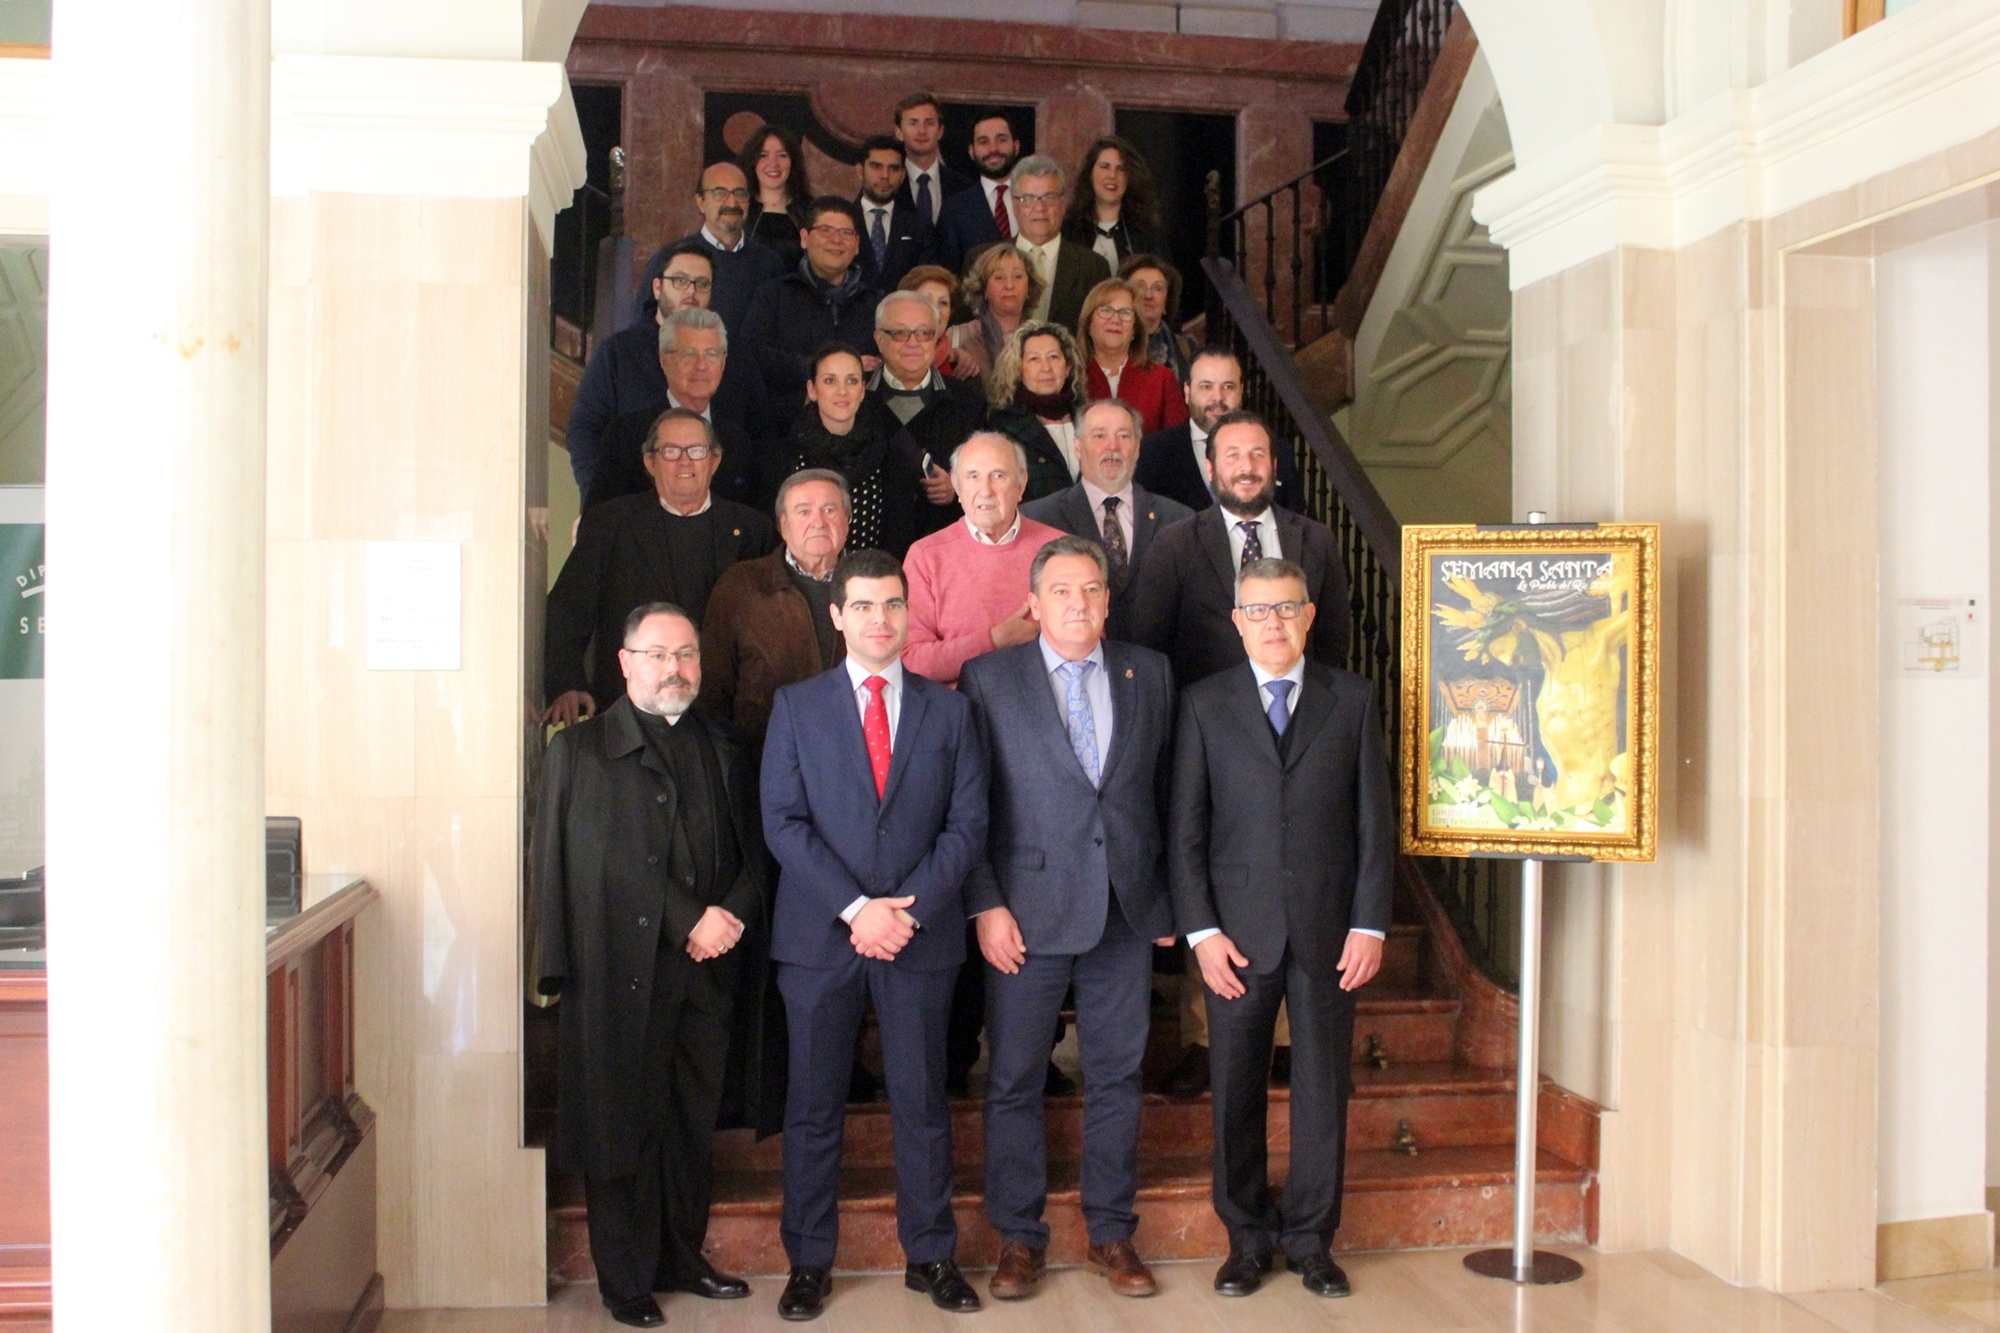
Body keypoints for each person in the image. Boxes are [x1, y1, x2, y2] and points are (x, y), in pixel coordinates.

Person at [761, 549, 989, 1321]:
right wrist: (858, 908)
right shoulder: (797, 706)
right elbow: (783, 822)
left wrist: (906, 911)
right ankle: (807, 1261)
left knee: (922, 1102)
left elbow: (967, 825)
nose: (880, 619)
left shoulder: (950, 711)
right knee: (813, 1105)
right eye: (862, 605)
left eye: (892, 603)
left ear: (908, 612)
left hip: (920, 938)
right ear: (837, 614)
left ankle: (931, 1255)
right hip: (820, 937)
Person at [532, 601, 768, 1329]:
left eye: (687, 654)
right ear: (625, 662)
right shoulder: (581, 751)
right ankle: (625, 1279)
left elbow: (756, 849)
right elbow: (585, 863)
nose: (675, 668)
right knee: (620, 1126)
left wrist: (730, 915)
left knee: (691, 1124)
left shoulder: (724, 744)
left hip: (708, 969)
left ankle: (682, 1257)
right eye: (659, 654)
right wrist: (687, 917)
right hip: (615, 972)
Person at [959, 536, 1177, 1303]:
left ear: (1108, 600)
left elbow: (1170, 794)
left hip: (1125, 909)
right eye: (1060, 590)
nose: (1077, 603)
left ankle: (1111, 1231)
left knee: (1117, 1074)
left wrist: (1167, 897)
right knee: (1015, 1077)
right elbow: (971, 805)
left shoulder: (1150, 672)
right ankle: (1019, 1236)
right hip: (1026, 912)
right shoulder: (989, 679)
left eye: (1090, 589)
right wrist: (985, 902)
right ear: (1033, 602)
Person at [1169, 556, 1392, 1301]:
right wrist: (1201, 932)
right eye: (1258, 610)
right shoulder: (1204, 703)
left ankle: (1311, 1241)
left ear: (1309, 616)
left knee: (1322, 1090)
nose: (1274, 622)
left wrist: (1370, 922)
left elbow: (1374, 822)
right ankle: (1246, 1239)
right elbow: (1186, 831)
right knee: (1235, 1088)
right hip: (1235, 937)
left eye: (1287, 608)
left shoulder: (1352, 699)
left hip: (1331, 932)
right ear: (1238, 622)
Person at [545, 408, 777, 724]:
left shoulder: (753, 530)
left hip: (723, 716)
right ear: (650, 462)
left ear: (714, 460)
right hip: (630, 712)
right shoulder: (610, 524)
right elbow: (567, 610)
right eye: (670, 451)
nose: (685, 461)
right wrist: (567, 685)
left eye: (696, 451)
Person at [1129, 409, 1349, 689]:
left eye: (1258, 454)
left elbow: (1333, 641)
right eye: (1233, 455)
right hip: (1206, 711)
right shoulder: (1173, 545)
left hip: (1298, 705)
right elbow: (1150, 647)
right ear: (1210, 468)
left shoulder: (1317, 540)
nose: (1247, 467)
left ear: (1274, 465)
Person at [699, 469, 851, 749]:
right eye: (803, 512)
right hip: (761, 755)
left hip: (853, 754)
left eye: (830, 510)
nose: (818, 522)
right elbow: (712, 688)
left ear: (847, 520)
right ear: (783, 525)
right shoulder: (740, 585)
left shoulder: (872, 583)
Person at [1022, 399, 1192, 641]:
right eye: (1099, 436)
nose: (1112, 446)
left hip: (1159, 660)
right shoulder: (1037, 518)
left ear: (1138, 447)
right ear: (1078, 447)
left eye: (1124, 436)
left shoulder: (1180, 519)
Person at [567, 241, 716, 499]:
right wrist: (598, 500)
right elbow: (585, 429)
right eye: (680, 281)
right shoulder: (619, 352)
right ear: (657, 288)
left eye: (701, 283)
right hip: (629, 504)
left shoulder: (729, 358)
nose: (691, 292)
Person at [585, 307, 758, 511]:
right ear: (664, 360)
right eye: (689, 354)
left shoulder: (738, 442)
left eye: (711, 354)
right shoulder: (626, 435)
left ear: (723, 363)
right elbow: (599, 519)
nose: (701, 365)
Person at [741, 196, 886, 434]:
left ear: (857, 244)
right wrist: (816, 369)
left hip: (861, 432)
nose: (836, 240)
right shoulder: (774, 295)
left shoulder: (876, 303)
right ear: (804, 238)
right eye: (826, 231)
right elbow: (754, 353)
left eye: (846, 233)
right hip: (785, 429)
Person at [867, 290, 986, 538]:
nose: (913, 343)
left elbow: (986, 475)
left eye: (924, 333)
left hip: (942, 543)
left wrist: (958, 486)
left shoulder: (969, 401)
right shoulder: (855, 397)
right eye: (900, 333)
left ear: (936, 339)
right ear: (879, 339)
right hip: (870, 544)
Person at [781, 344, 918, 557]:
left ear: (862, 390)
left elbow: (900, 530)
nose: (842, 391)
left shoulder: (887, 450)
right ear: (812, 389)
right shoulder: (788, 452)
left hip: (873, 570)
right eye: (830, 381)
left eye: (852, 381)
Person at [1137, 347, 1304, 515]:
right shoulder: (1152, 452)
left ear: (1241, 391)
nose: (1218, 397)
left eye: (1228, 386)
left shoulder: (1277, 451)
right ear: (1187, 392)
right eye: (1206, 387)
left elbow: (1295, 523)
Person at [631, 161, 786, 336]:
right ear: (700, 202)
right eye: (720, 193)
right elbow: (641, 332)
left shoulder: (770, 264)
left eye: (740, 193)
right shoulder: (671, 259)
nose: (732, 202)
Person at [986, 321, 1087, 501]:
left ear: (1068, 367)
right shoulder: (1003, 426)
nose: (1046, 368)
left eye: (1053, 357)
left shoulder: (1089, 418)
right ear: (1018, 369)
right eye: (1034, 359)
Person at [1009, 154, 1110, 332]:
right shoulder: (984, 261)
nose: (1040, 208)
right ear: (1014, 206)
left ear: (1063, 204)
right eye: (1029, 198)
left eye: (1049, 197)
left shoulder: (1093, 268)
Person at [1076, 277, 1188, 436]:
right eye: (1106, 310)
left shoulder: (1161, 379)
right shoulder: (1073, 378)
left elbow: (1178, 442)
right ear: (1089, 324)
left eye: (1125, 313)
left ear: (1135, 329)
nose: (1115, 320)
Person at [934, 111, 1021, 274]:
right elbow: (947, 276)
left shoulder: (1036, 200)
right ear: (971, 151)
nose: (993, 149)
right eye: (983, 142)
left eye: (1001, 140)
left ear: (1016, 146)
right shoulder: (953, 211)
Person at [1062, 137, 1164, 270]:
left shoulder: (1147, 232)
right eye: (1105, 167)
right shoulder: (1069, 230)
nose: (1112, 175)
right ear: (1090, 174)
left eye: (1120, 168)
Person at [945, 244, 1040, 381]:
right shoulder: (957, 336)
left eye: (1018, 276)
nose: (1009, 285)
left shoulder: (1044, 338)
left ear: (1029, 288)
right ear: (983, 288)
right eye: (999, 277)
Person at [855, 134, 937, 292]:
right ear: (860, 171)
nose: (885, 176)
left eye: (893, 168)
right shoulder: (843, 222)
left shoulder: (920, 227)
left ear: (902, 175)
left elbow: (926, 282)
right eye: (876, 166)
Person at [740, 123, 814, 270]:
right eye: (763, 155)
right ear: (753, 162)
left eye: (782, 155)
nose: (773, 163)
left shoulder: (811, 210)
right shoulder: (739, 208)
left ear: (793, 162)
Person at [893, 91, 972, 226]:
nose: (922, 131)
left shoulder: (964, 188)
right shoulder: (886, 184)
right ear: (898, 132)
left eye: (929, 123)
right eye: (913, 123)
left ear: (940, 131)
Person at [1119, 254, 1196, 384]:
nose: (1148, 295)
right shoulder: (1107, 345)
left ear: (1167, 302)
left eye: (1158, 288)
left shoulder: (1188, 349)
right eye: (1139, 286)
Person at [899, 264, 974, 378]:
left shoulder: (962, 368)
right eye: (926, 300)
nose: (935, 310)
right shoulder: (881, 366)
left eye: (943, 303)